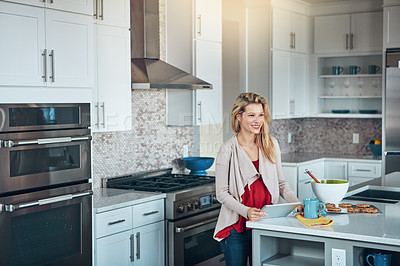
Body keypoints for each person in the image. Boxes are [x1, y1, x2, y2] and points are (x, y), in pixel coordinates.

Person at [213, 92, 302, 266]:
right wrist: (246, 211)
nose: (258, 120)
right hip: (236, 225)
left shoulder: (270, 144)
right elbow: (221, 194)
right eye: (251, 115)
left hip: (266, 221)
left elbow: (281, 183)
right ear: (238, 116)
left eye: (261, 115)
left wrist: (296, 203)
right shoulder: (227, 149)